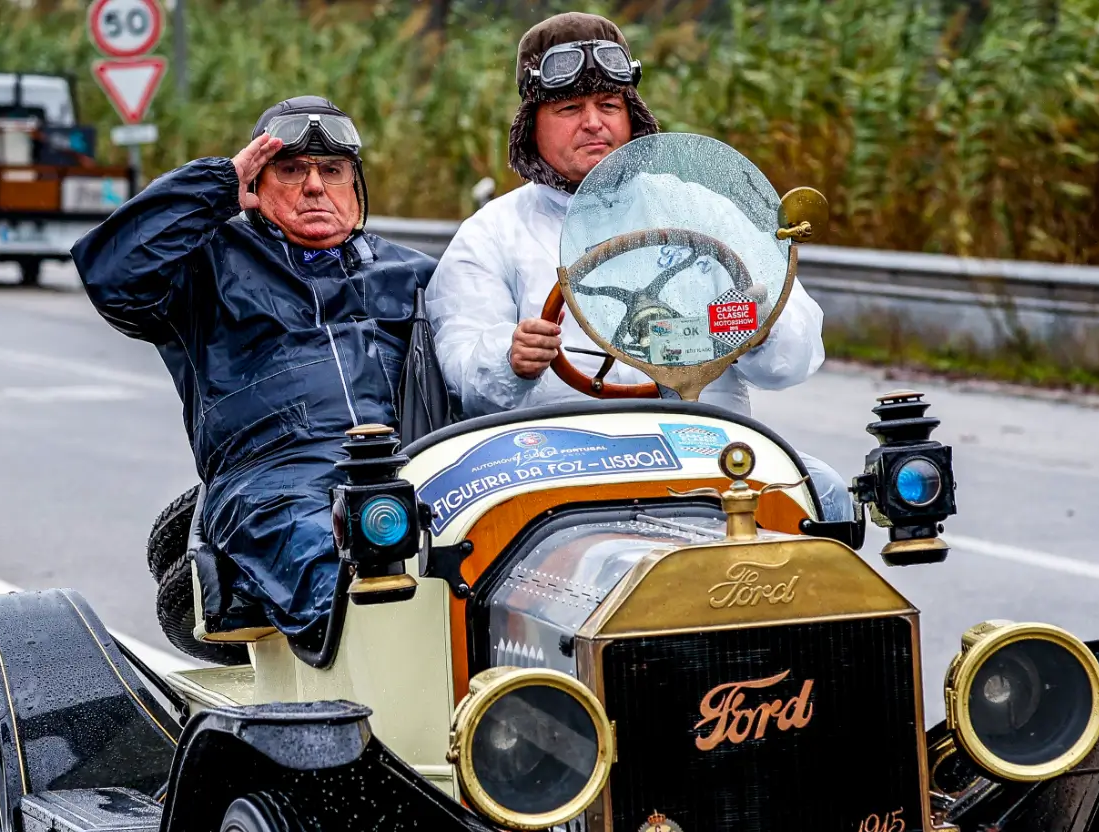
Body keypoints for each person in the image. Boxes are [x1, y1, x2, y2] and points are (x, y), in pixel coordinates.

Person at [424, 13, 847, 519]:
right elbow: (461, 370)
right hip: (558, 471)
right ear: (531, 123)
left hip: (708, 454)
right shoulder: (491, 233)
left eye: (608, 105)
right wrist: (509, 358)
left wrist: (762, 328)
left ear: (632, 115)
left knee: (827, 495)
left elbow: (795, 358)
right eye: (569, 108)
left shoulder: (702, 208)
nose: (594, 123)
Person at [73, 97, 435, 645]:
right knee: (344, 576)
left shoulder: (415, 272)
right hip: (273, 480)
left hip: (413, 467)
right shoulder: (206, 266)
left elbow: (485, 369)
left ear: (354, 185)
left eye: (332, 170)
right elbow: (112, 273)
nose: (315, 186)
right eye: (291, 170)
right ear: (257, 185)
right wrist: (217, 185)